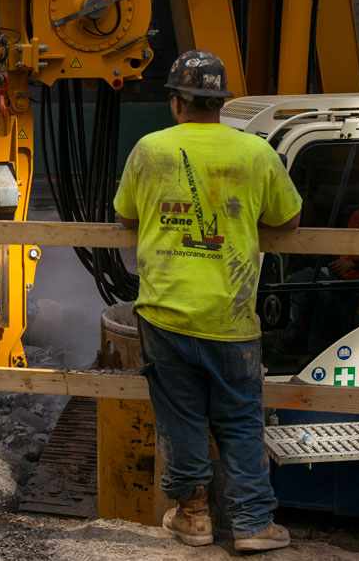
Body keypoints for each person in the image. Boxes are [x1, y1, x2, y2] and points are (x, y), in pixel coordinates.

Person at [113, 50, 301, 551]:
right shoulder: (257, 153)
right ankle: (254, 525)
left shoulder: (149, 150)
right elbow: (287, 222)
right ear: (221, 103)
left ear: (176, 102)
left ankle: (194, 516)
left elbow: (126, 216)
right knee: (239, 418)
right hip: (232, 315)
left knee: (183, 416)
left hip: (166, 313)